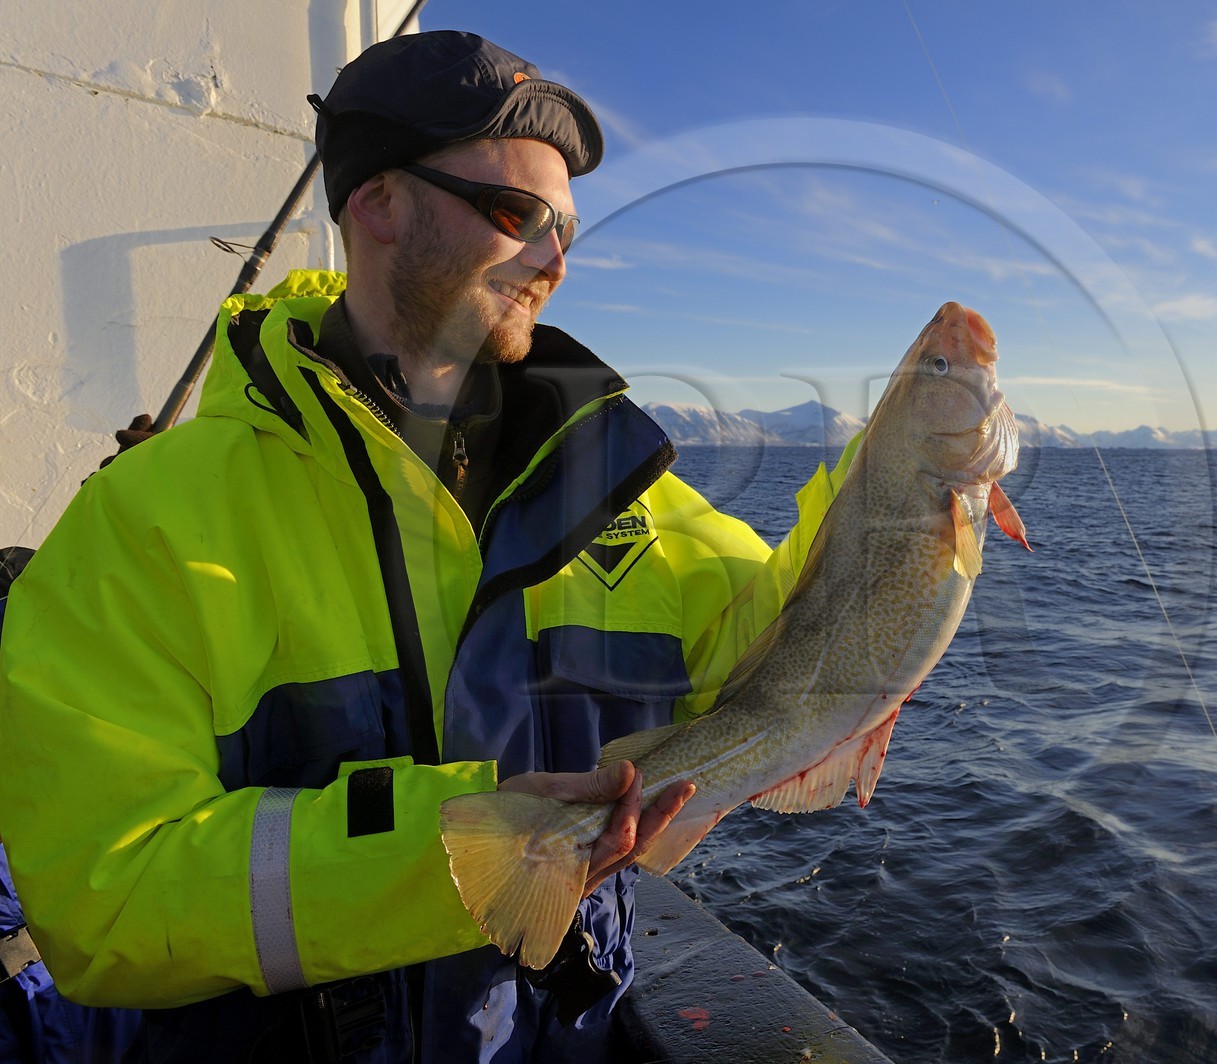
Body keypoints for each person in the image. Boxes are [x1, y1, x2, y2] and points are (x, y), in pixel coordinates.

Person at [0, 30, 847, 1063]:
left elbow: (805, 652)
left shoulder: (625, 492)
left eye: (568, 227)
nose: (556, 257)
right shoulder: (147, 522)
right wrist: (472, 848)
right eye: (517, 214)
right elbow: (103, 896)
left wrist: (906, 474)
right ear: (379, 204)